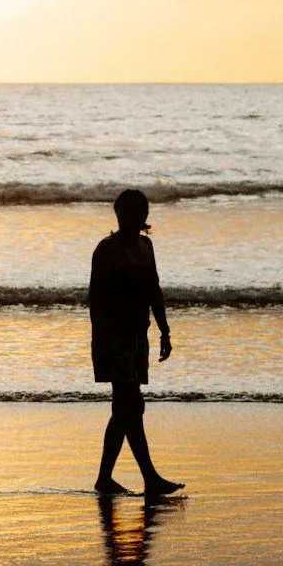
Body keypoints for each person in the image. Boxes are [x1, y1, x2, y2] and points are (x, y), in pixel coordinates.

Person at [88, 191, 182, 499]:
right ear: (117, 216)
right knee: (132, 405)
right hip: (114, 339)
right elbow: (95, 301)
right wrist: (103, 342)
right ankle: (150, 477)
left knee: (123, 409)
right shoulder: (107, 250)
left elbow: (154, 290)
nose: (128, 220)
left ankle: (104, 478)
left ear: (144, 216)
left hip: (139, 337)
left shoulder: (146, 246)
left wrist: (165, 332)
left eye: (135, 214)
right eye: (123, 214)